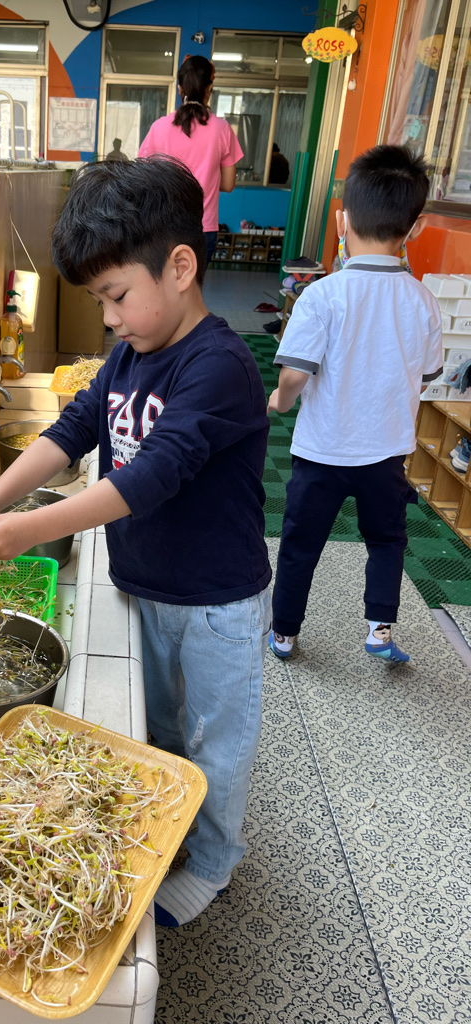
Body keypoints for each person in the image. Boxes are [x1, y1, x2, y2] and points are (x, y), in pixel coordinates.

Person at [0, 155, 271, 927]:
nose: (109, 318)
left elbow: (152, 477)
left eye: (116, 295)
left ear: (180, 267)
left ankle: (215, 861)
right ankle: (176, 821)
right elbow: (72, 430)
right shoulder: (129, 357)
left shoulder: (220, 366)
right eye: (100, 300)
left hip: (215, 601)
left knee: (218, 741)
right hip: (149, 585)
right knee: (163, 726)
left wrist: (25, 529)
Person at [267, 144, 443, 664]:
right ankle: (379, 631)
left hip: (321, 452)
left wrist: (281, 399)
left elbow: (295, 374)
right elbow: (427, 373)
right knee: (387, 541)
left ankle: (284, 634)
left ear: (342, 221)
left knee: (300, 544)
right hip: (386, 453)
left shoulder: (322, 295)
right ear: (415, 228)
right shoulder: (423, 300)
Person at [138, 54, 242, 270]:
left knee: (163, 285)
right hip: (204, 228)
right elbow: (228, 184)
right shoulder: (222, 129)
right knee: (193, 287)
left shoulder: (159, 127)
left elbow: (141, 177)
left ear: (179, 89)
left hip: (164, 225)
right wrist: (206, 178)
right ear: (209, 88)